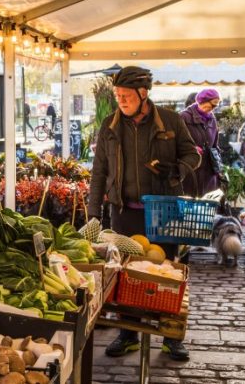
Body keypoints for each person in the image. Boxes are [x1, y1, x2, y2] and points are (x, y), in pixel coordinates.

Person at [87, 66, 200, 361]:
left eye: (126, 96)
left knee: (166, 272)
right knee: (126, 274)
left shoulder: (171, 121)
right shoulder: (110, 126)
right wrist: (93, 212)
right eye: (118, 96)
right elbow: (99, 171)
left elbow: (193, 155)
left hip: (163, 209)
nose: (121, 101)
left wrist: (177, 170)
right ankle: (129, 335)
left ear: (143, 93)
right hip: (124, 212)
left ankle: (170, 336)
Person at [180, 89, 222, 197]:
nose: (212, 108)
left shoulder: (212, 119)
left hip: (208, 171)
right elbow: (176, 143)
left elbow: (215, 145)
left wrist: (218, 166)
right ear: (202, 101)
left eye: (215, 106)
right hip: (191, 169)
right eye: (211, 104)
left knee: (207, 204)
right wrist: (191, 148)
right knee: (190, 203)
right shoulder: (184, 117)